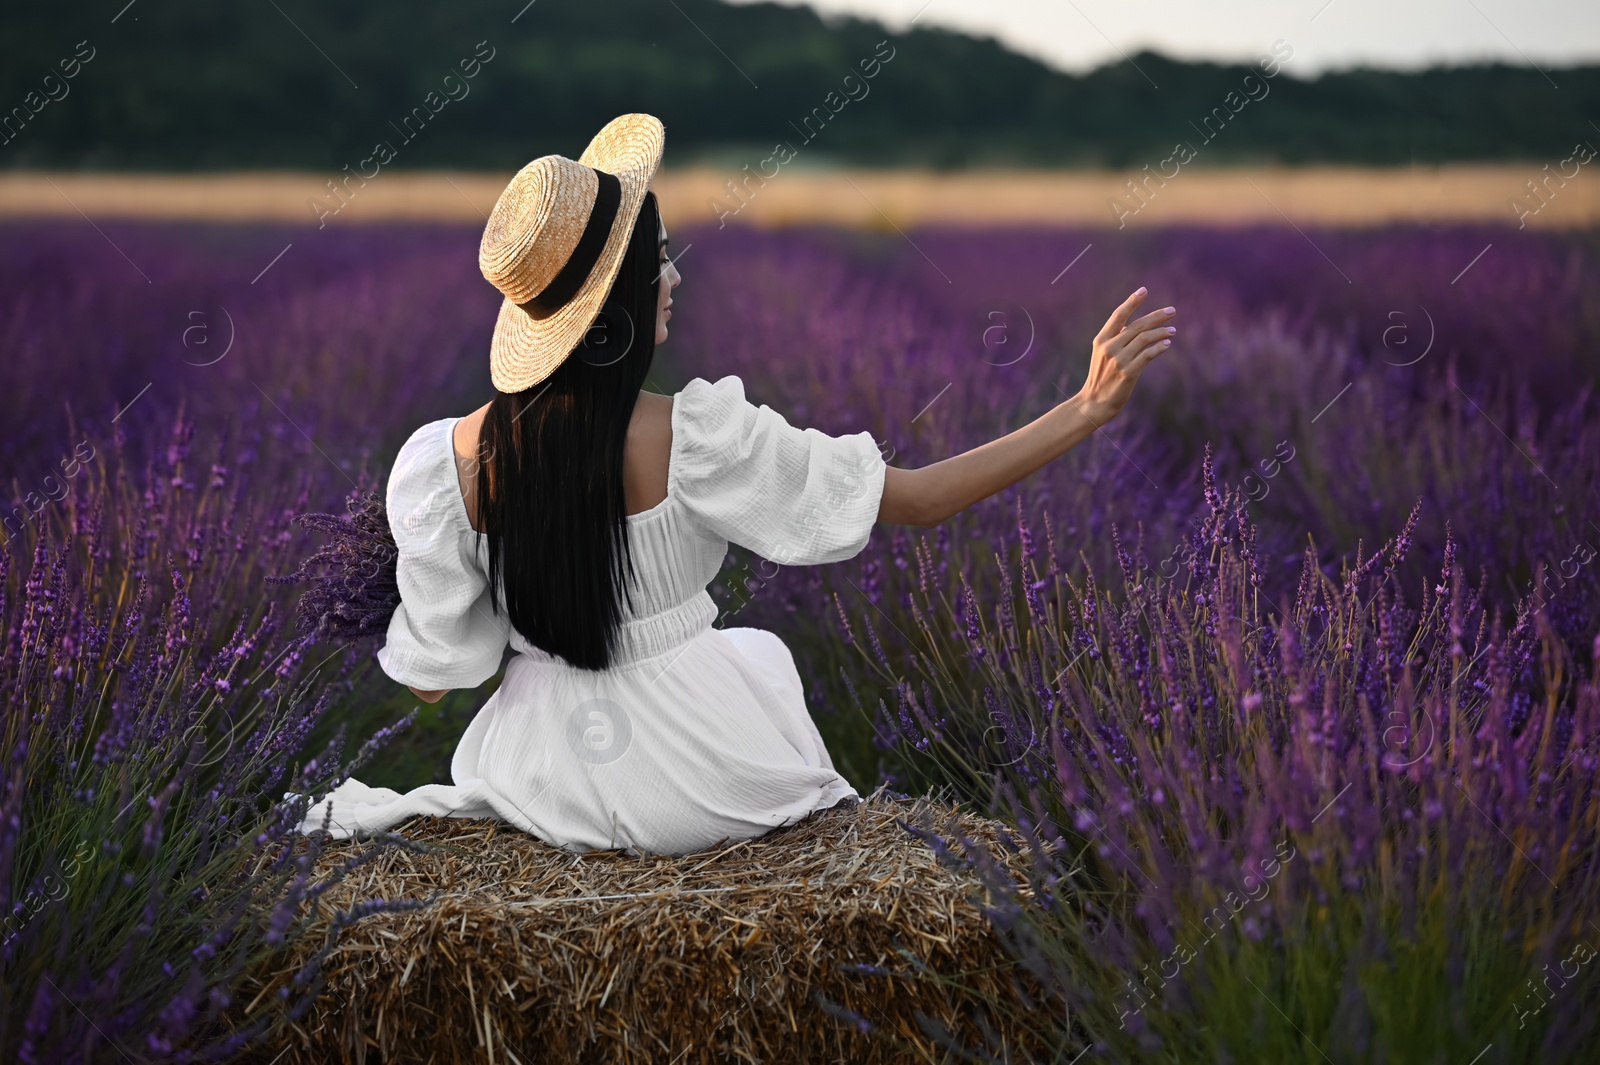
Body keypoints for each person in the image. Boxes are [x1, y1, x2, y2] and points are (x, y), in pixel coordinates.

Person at [293, 114, 1177, 856]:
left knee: (754, 656)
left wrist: (428, 584)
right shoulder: (700, 436)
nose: (674, 276)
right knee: (762, 656)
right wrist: (1086, 409)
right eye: (659, 260)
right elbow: (919, 498)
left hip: (537, 780)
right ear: (620, 301)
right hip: (700, 776)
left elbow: (435, 682)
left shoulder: (445, 464)